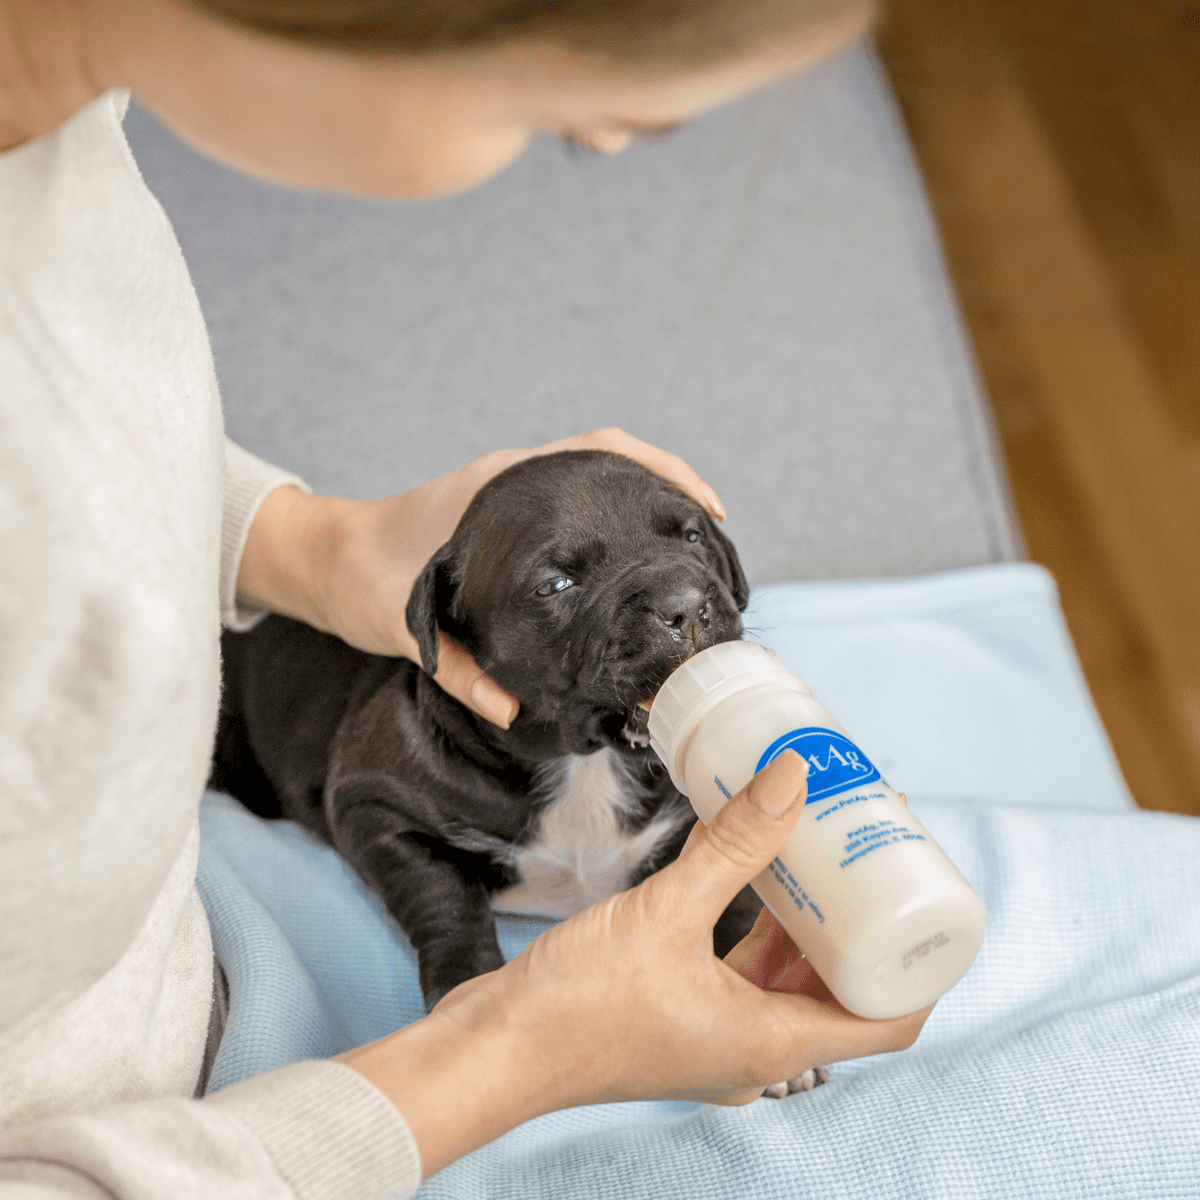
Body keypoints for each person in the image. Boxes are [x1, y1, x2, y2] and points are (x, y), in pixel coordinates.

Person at [0, 1, 932, 1196]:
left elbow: (89, 435)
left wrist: (298, 540)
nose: (604, 141)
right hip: (242, 1122)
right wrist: (511, 1048)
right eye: (570, 106)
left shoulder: (62, 95)